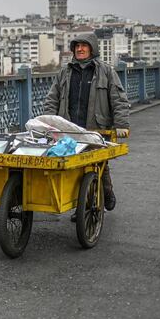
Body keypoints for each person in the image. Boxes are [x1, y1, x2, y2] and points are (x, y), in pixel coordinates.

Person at [43, 32, 130, 211]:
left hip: (96, 127)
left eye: (84, 46)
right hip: (69, 127)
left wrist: (121, 124)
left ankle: (107, 191)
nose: (80, 49)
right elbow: (52, 98)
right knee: (72, 167)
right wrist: (48, 123)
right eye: (77, 46)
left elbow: (118, 99)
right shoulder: (65, 72)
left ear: (92, 49)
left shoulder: (106, 71)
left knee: (98, 164)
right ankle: (81, 205)